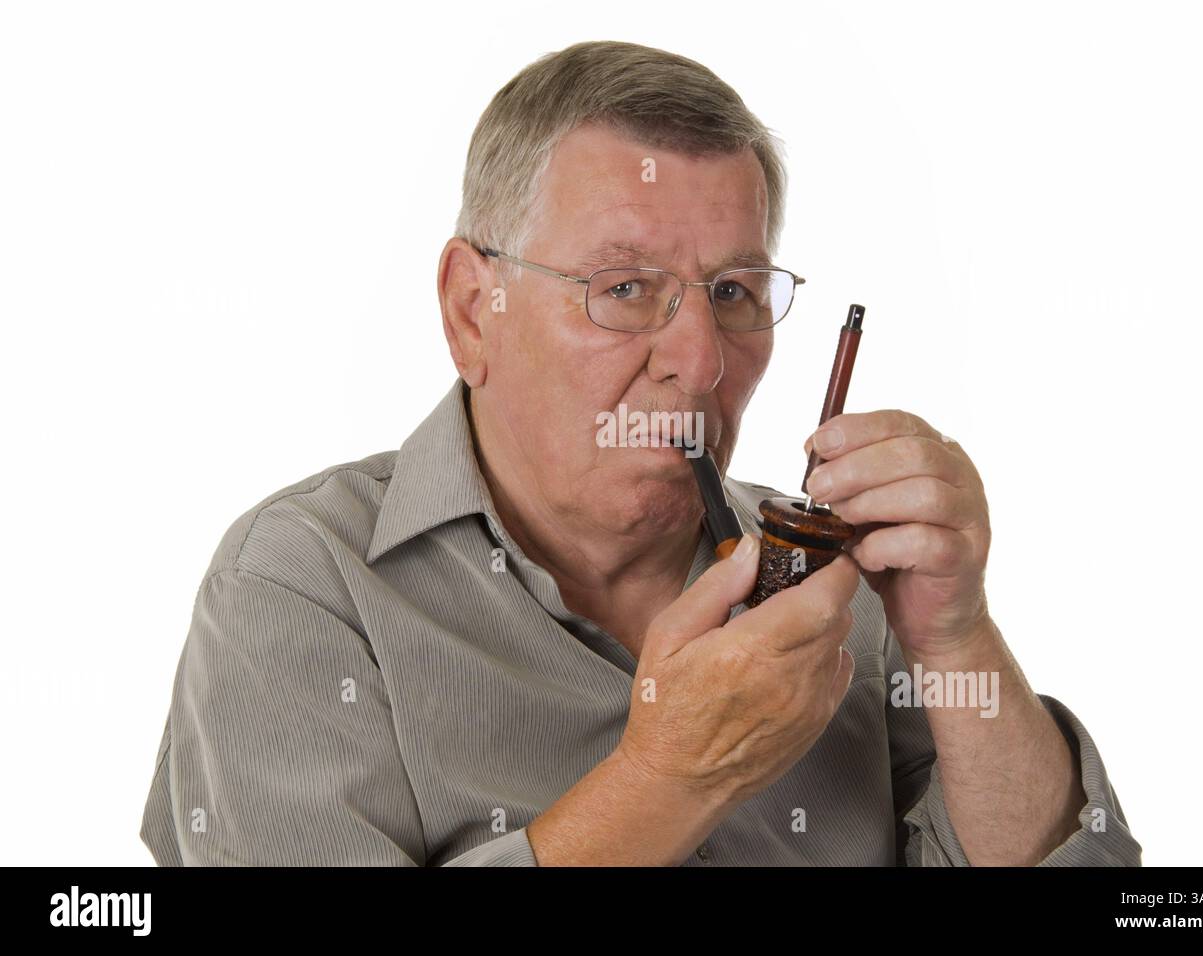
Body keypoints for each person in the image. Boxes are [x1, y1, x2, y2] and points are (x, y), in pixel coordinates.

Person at [140, 40, 1140, 866]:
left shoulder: (840, 589)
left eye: (736, 291)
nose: (702, 361)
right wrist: (675, 775)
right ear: (470, 310)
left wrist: (956, 638)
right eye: (623, 288)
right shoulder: (304, 585)